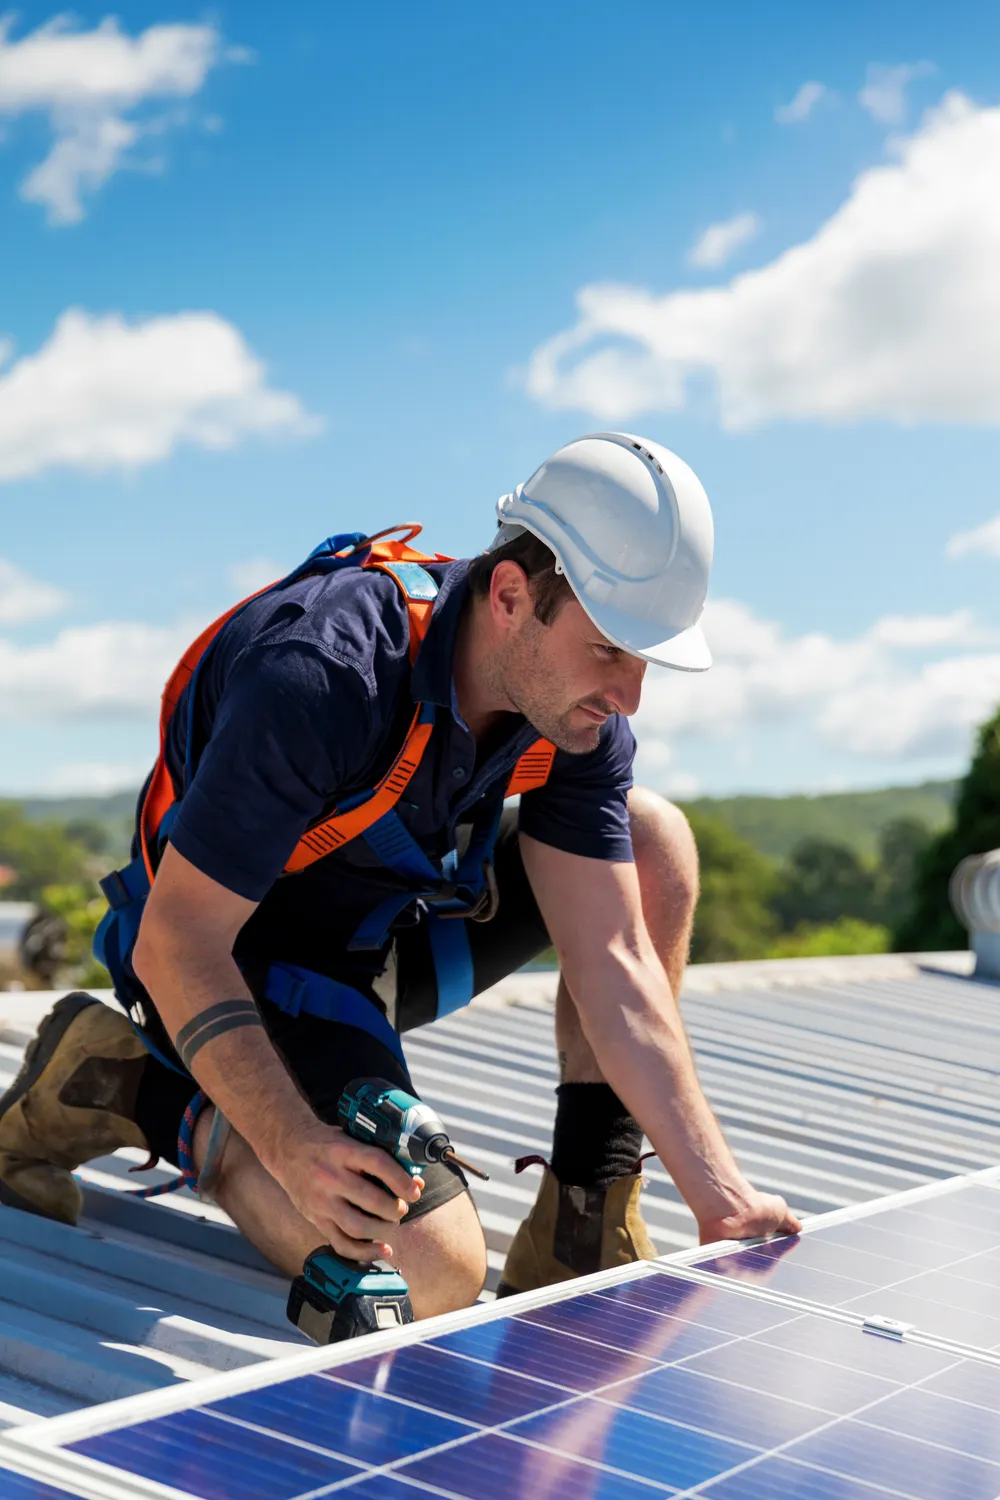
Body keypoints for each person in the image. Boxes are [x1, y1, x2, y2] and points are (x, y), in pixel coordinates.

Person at [0, 433, 799, 1321]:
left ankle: (585, 1212)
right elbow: (179, 942)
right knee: (432, 1276)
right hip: (218, 959)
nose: (631, 695)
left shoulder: (572, 717)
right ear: (511, 595)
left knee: (653, 841)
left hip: (380, 936)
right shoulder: (325, 672)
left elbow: (614, 957)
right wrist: (296, 1145)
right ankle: (146, 1091)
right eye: (611, 647)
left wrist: (720, 1196)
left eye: (646, 657)